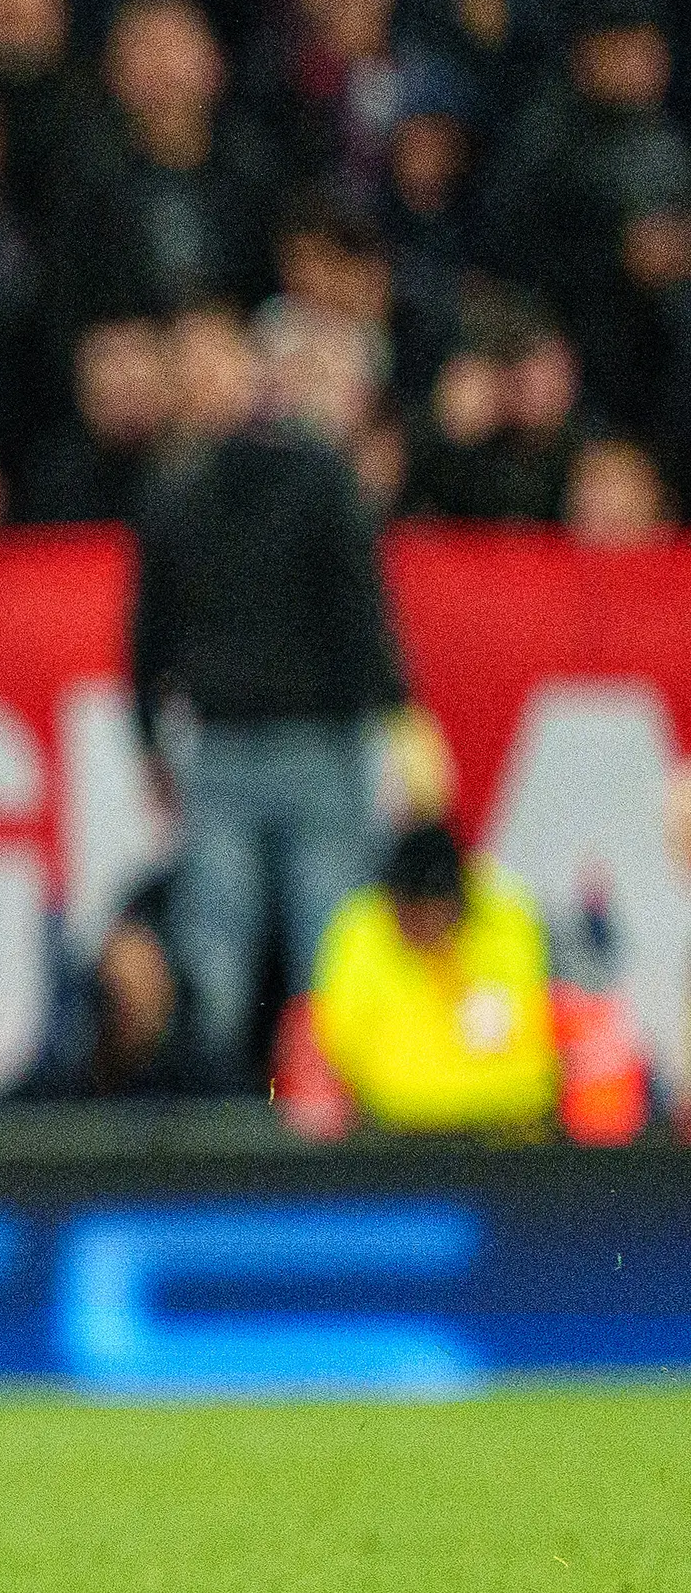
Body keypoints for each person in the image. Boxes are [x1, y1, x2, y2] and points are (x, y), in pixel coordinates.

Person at [131, 303, 410, 1084]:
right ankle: (323, 1129)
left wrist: (148, 735)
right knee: (327, 959)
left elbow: (147, 637)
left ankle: (215, 1131)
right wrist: (394, 716)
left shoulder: (178, 488)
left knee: (215, 961)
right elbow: (361, 611)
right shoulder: (324, 478)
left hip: (223, 741)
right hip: (318, 741)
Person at [304, 820, 557, 1137]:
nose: (422, 926)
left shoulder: (507, 918)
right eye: (411, 914)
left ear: (460, 902)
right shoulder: (360, 928)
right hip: (396, 1131)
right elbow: (340, 1039)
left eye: (432, 913)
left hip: (505, 1127)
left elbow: (532, 1027)